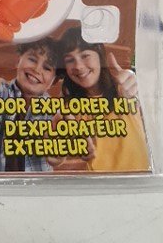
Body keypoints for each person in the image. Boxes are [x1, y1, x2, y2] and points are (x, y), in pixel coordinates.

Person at [53, 26, 149, 172]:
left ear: (99, 55)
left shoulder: (123, 89)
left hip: (140, 180)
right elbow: (55, 158)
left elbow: (146, 100)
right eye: (70, 60)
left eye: (85, 55)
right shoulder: (68, 109)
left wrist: (136, 86)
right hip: (98, 184)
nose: (78, 66)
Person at [0, 38, 58, 172]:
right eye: (32, 59)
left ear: (53, 81)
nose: (37, 69)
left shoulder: (52, 111)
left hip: (35, 184)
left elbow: (55, 158)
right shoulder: (0, 89)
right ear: (18, 60)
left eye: (47, 68)